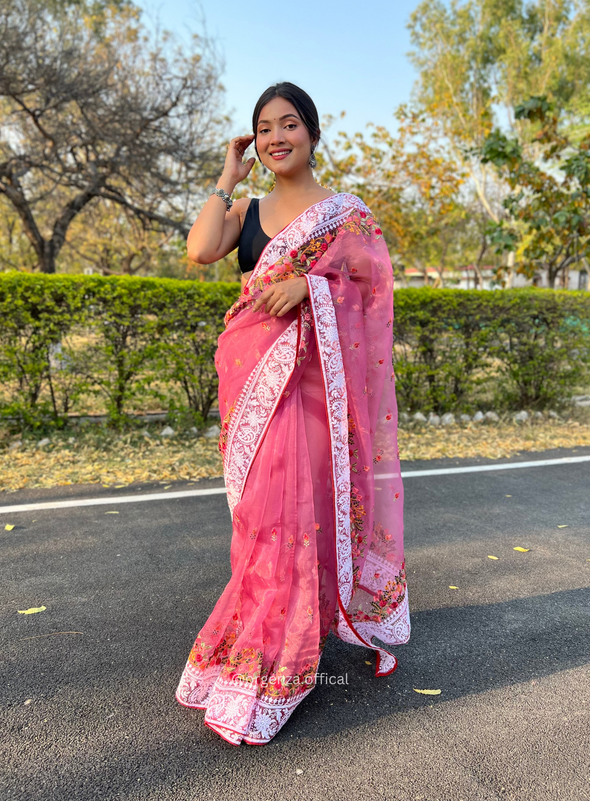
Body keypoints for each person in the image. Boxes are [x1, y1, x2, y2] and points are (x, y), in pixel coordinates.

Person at [175, 82, 410, 745]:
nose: (277, 137)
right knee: (259, 518)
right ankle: (264, 636)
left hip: (314, 393)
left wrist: (308, 286)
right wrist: (228, 174)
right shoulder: (246, 207)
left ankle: (292, 654)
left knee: (300, 514)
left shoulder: (345, 217)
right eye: (264, 128)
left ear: (312, 132)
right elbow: (199, 249)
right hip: (252, 387)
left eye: (289, 125)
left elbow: (373, 289)